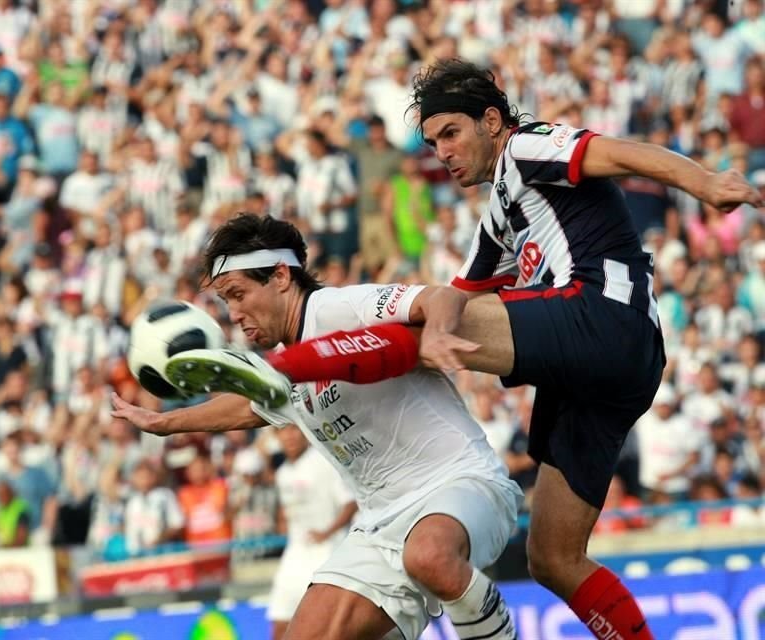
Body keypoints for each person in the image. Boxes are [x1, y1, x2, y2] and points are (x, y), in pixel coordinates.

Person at [166, 60, 764, 640]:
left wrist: (704, 182)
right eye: (432, 142)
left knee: (416, 333)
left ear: (492, 121)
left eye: (451, 133)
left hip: (605, 316)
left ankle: (281, 370)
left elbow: (619, 153)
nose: (444, 152)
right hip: (601, 375)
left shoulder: (528, 148)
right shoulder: (499, 218)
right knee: (553, 558)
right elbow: (456, 296)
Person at [112, 214, 521, 640]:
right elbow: (251, 406)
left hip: (462, 483)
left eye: (238, 295)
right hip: (381, 528)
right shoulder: (287, 366)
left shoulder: (337, 309)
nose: (233, 314)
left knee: (429, 555)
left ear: (282, 276)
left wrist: (434, 333)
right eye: (226, 303)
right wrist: (164, 422)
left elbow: (439, 298)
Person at [268, 423, 357, 640]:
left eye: (293, 429)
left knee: (324, 629)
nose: (289, 436)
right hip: (295, 554)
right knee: (280, 625)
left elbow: (350, 503)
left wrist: (327, 532)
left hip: (327, 553)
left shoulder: (324, 462)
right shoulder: (282, 473)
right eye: (282, 431)